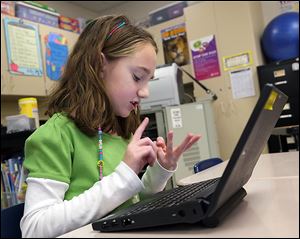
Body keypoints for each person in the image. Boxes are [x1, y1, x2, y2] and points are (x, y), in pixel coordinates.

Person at [20, 15, 200, 238]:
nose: (145, 92)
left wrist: (159, 172)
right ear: (99, 64)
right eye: (137, 77)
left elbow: (129, 204)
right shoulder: (56, 136)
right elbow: (34, 229)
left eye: (148, 81)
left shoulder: (120, 130)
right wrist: (124, 175)